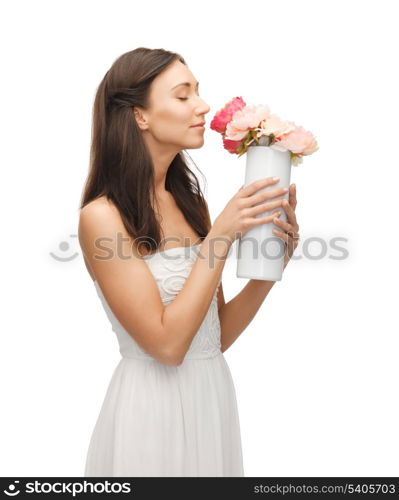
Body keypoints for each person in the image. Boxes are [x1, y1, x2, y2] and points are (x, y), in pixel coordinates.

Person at [78, 47, 299, 477]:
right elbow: (167, 346)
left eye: (198, 92)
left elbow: (212, 337)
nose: (202, 105)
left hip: (210, 399)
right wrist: (220, 238)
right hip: (151, 415)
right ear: (139, 115)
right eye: (183, 96)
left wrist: (269, 273)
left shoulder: (190, 201)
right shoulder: (101, 217)